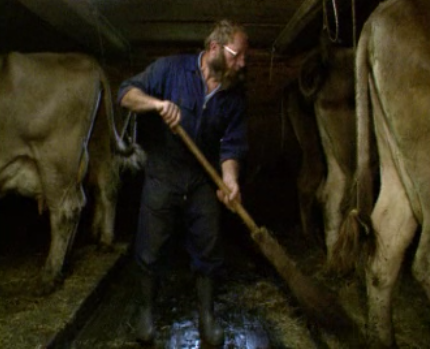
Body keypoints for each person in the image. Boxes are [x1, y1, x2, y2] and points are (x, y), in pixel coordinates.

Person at [117, 19, 249, 346]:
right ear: (214, 48)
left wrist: (229, 179)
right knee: (150, 245)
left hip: (203, 179)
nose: (242, 62)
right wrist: (157, 104)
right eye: (237, 55)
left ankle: (207, 316)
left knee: (208, 245)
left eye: (244, 56)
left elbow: (231, 144)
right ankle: (146, 312)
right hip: (164, 171)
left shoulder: (234, 94)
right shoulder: (171, 69)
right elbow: (125, 94)